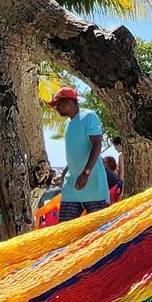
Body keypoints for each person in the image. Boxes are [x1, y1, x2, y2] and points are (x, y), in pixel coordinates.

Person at [52, 85, 112, 220]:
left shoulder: (89, 116)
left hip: (93, 187)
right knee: (65, 230)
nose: (56, 108)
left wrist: (86, 173)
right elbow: (75, 154)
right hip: (72, 187)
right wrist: (63, 174)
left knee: (99, 232)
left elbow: (96, 145)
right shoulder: (68, 124)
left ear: (68, 101)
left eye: (58, 104)